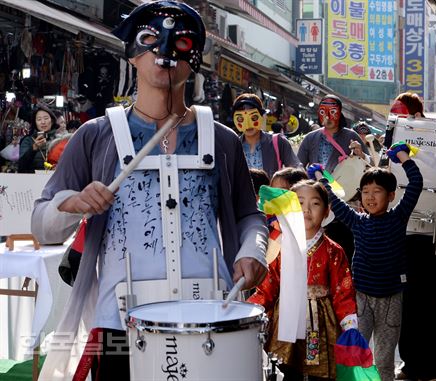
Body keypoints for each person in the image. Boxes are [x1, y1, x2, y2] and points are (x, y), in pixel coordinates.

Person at [31, 3, 268, 380]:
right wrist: (73, 204)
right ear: (132, 55)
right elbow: (42, 226)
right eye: (150, 40)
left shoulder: (222, 140)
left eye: (182, 42)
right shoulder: (95, 136)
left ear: (194, 61)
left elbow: (249, 215)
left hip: (209, 314)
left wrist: (253, 252)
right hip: (119, 323)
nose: (165, 53)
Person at [309, 141, 423, 381]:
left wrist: (403, 156)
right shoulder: (358, 221)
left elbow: (416, 184)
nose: (370, 197)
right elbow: (336, 203)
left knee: (383, 359)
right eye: (365, 192)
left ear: (391, 195)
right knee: (355, 352)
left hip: (391, 298)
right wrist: (321, 177)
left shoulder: (398, 217)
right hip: (360, 296)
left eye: (377, 191)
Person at [249, 180, 357, 380]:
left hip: (321, 322)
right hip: (286, 318)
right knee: (287, 369)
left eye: (315, 203)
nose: (306, 209)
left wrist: (350, 326)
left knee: (320, 371)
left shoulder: (334, 250)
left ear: (326, 211)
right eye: (299, 203)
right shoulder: (279, 246)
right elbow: (268, 287)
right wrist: (248, 312)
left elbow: (343, 290)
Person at [389, 92, 436, 381]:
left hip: (434, 236)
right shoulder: (394, 140)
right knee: (407, 302)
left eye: (403, 113)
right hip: (403, 234)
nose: (399, 118)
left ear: (416, 113)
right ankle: (411, 364)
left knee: (434, 304)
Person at [233, 93, 301, 177]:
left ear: (262, 116)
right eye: (240, 119)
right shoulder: (233, 147)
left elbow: (297, 170)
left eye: (253, 118)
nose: (248, 124)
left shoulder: (278, 142)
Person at [297, 95, 370, 173]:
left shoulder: (351, 136)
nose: (327, 117)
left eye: (332, 111)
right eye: (323, 112)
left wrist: (361, 155)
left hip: (344, 184)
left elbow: (370, 164)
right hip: (316, 183)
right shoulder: (310, 138)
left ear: (339, 113)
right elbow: (298, 166)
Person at [18, 104, 58, 173]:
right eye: (39, 119)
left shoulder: (59, 139)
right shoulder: (28, 140)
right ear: (35, 123)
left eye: (46, 118)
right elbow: (21, 166)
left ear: (52, 121)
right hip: (33, 181)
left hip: (56, 179)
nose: (43, 122)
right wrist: (33, 149)